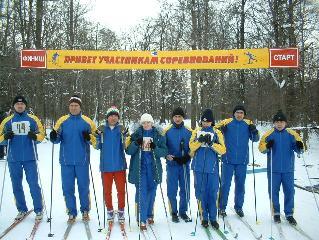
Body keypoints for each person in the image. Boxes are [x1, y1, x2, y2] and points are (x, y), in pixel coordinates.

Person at [49, 95, 97, 223]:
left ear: (80, 107)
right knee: (68, 188)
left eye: (76, 105)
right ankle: (71, 212)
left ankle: (85, 210)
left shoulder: (87, 122)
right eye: (71, 105)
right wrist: (53, 136)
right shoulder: (62, 121)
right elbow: (56, 139)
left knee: (83, 187)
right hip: (66, 161)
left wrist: (89, 138)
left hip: (82, 160)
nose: (74, 108)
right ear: (69, 107)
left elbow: (96, 140)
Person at [0, 96, 45, 220]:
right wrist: (5, 137)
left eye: (22, 104)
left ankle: (39, 209)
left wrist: (35, 137)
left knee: (33, 184)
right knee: (16, 185)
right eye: (17, 104)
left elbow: (41, 135)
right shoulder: (7, 121)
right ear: (14, 106)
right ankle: (21, 209)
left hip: (30, 157)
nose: (20, 106)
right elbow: (0, 138)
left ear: (25, 106)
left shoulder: (32, 119)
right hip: (13, 158)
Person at [259, 110, 304, 226]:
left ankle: (289, 214)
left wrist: (300, 146)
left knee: (289, 192)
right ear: (274, 123)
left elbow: (300, 149)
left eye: (282, 122)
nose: (279, 124)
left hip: (288, 170)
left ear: (286, 123)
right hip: (273, 170)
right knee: (273, 192)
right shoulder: (268, 134)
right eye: (277, 122)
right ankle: (276, 213)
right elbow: (261, 148)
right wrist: (267, 146)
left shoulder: (292, 134)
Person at [215, 105, 259, 217]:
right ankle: (222, 207)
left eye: (241, 113)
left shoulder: (248, 124)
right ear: (234, 113)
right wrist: (220, 130)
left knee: (240, 185)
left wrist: (254, 131)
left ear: (244, 114)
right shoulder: (227, 122)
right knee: (225, 185)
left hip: (242, 160)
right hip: (228, 159)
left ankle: (238, 207)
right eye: (237, 112)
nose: (239, 114)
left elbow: (255, 139)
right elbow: (214, 130)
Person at [126, 113, 168, 230]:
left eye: (148, 122)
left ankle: (149, 214)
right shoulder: (136, 134)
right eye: (144, 123)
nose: (146, 125)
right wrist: (136, 143)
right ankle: (142, 218)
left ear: (152, 123)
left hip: (153, 169)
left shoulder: (158, 135)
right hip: (140, 168)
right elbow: (128, 151)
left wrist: (155, 148)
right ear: (141, 123)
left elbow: (164, 151)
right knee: (142, 193)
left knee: (152, 192)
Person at [189, 109, 226, 229]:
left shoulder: (216, 132)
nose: (205, 124)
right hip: (198, 168)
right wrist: (199, 142)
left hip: (212, 168)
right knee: (201, 193)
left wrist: (212, 144)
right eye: (204, 122)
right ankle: (204, 217)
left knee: (212, 193)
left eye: (208, 122)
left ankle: (213, 218)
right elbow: (191, 146)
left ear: (212, 122)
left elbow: (223, 150)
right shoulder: (197, 131)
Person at [95, 106, 127, 224]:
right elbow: (97, 146)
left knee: (121, 191)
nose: (113, 118)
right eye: (111, 116)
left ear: (118, 117)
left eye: (115, 116)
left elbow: (125, 146)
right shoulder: (102, 129)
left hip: (120, 166)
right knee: (107, 191)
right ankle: (109, 210)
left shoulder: (121, 129)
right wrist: (97, 136)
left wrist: (125, 135)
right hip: (106, 166)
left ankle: (121, 210)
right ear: (107, 118)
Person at [163, 107, 192, 223]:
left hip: (184, 165)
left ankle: (183, 211)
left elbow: (193, 147)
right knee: (172, 189)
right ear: (172, 118)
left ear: (183, 117)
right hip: (172, 165)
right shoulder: (167, 131)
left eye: (179, 116)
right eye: (175, 116)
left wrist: (188, 156)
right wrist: (166, 155)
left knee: (185, 189)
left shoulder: (189, 131)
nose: (177, 118)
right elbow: (162, 147)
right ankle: (174, 212)